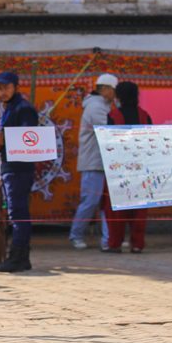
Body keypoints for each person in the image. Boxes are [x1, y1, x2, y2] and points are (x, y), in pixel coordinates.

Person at [0, 71, 39, 273]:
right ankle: (19, 257)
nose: (2, 92)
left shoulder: (24, 109)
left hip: (19, 167)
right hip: (10, 164)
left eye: (6, 87)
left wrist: (4, 140)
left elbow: (28, 138)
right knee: (15, 211)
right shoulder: (10, 108)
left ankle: (18, 257)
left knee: (18, 212)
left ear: (15, 87)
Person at [101, 81, 152, 254]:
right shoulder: (145, 116)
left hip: (119, 169)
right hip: (141, 168)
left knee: (116, 209)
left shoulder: (114, 116)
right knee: (139, 209)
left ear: (119, 96)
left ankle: (115, 243)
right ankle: (137, 244)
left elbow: (108, 144)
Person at [68, 73, 117, 249]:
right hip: (93, 161)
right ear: (105, 89)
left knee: (107, 203)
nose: (114, 94)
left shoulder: (103, 105)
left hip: (103, 162)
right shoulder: (95, 107)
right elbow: (108, 131)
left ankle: (108, 238)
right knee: (90, 201)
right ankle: (76, 235)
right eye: (113, 90)